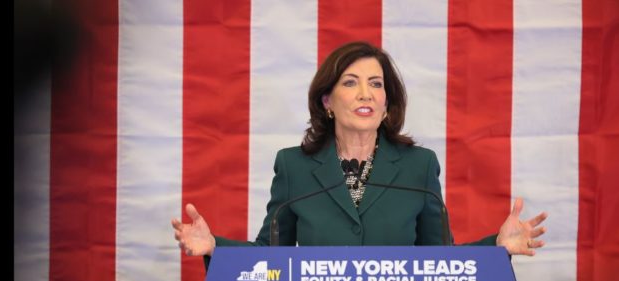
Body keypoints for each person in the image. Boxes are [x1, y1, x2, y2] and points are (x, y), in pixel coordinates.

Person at [171, 41, 547, 256]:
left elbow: (440, 261)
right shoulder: (293, 166)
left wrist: (496, 248)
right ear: (327, 101)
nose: (366, 93)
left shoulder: (419, 166)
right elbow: (273, 258)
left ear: (387, 104)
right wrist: (213, 247)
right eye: (350, 83)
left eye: (376, 84)